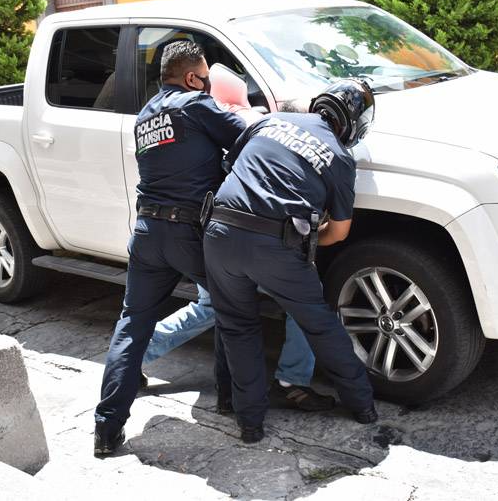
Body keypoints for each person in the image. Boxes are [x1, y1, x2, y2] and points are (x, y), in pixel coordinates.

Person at [142, 63, 332, 413]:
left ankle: (137, 352)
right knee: (298, 299)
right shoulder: (236, 124)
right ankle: (289, 382)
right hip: (234, 237)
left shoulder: (209, 121)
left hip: (212, 237)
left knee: (212, 307)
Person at [203, 80, 379, 443]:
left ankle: (250, 426)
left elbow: (232, 165)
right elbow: (339, 233)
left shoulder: (271, 121)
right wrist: (305, 246)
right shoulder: (340, 158)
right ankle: (363, 406)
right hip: (276, 245)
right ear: (351, 125)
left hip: (219, 232)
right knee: (320, 325)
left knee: (238, 328)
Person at [93, 40, 246, 456]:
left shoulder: (145, 118)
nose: (208, 85)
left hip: (146, 233)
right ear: (194, 77)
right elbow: (249, 136)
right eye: (206, 79)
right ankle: (232, 401)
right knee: (230, 305)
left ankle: (106, 430)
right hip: (189, 232)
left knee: (132, 325)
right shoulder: (198, 104)